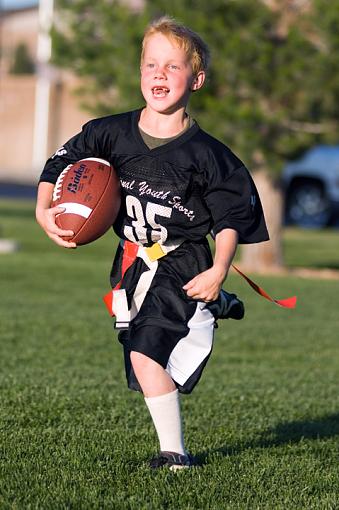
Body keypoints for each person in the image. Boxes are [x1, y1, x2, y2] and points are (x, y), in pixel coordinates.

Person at [36, 16, 269, 470]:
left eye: (172, 66)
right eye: (149, 65)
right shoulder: (109, 132)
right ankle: (210, 306)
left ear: (196, 80)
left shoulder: (210, 156)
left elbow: (230, 219)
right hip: (131, 262)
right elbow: (61, 161)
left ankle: (175, 457)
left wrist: (218, 268)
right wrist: (45, 209)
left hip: (183, 260)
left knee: (146, 354)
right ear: (140, 72)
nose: (158, 74)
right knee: (143, 363)